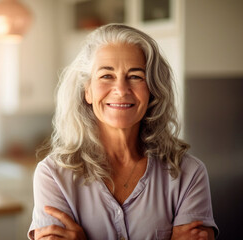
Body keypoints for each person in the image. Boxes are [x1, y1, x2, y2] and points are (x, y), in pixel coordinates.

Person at [28, 23, 218, 240]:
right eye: (106, 76)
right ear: (87, 91)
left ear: (152, 91)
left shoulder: (189, 173)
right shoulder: (52, 175)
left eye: (136, 76)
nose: (121, 89)